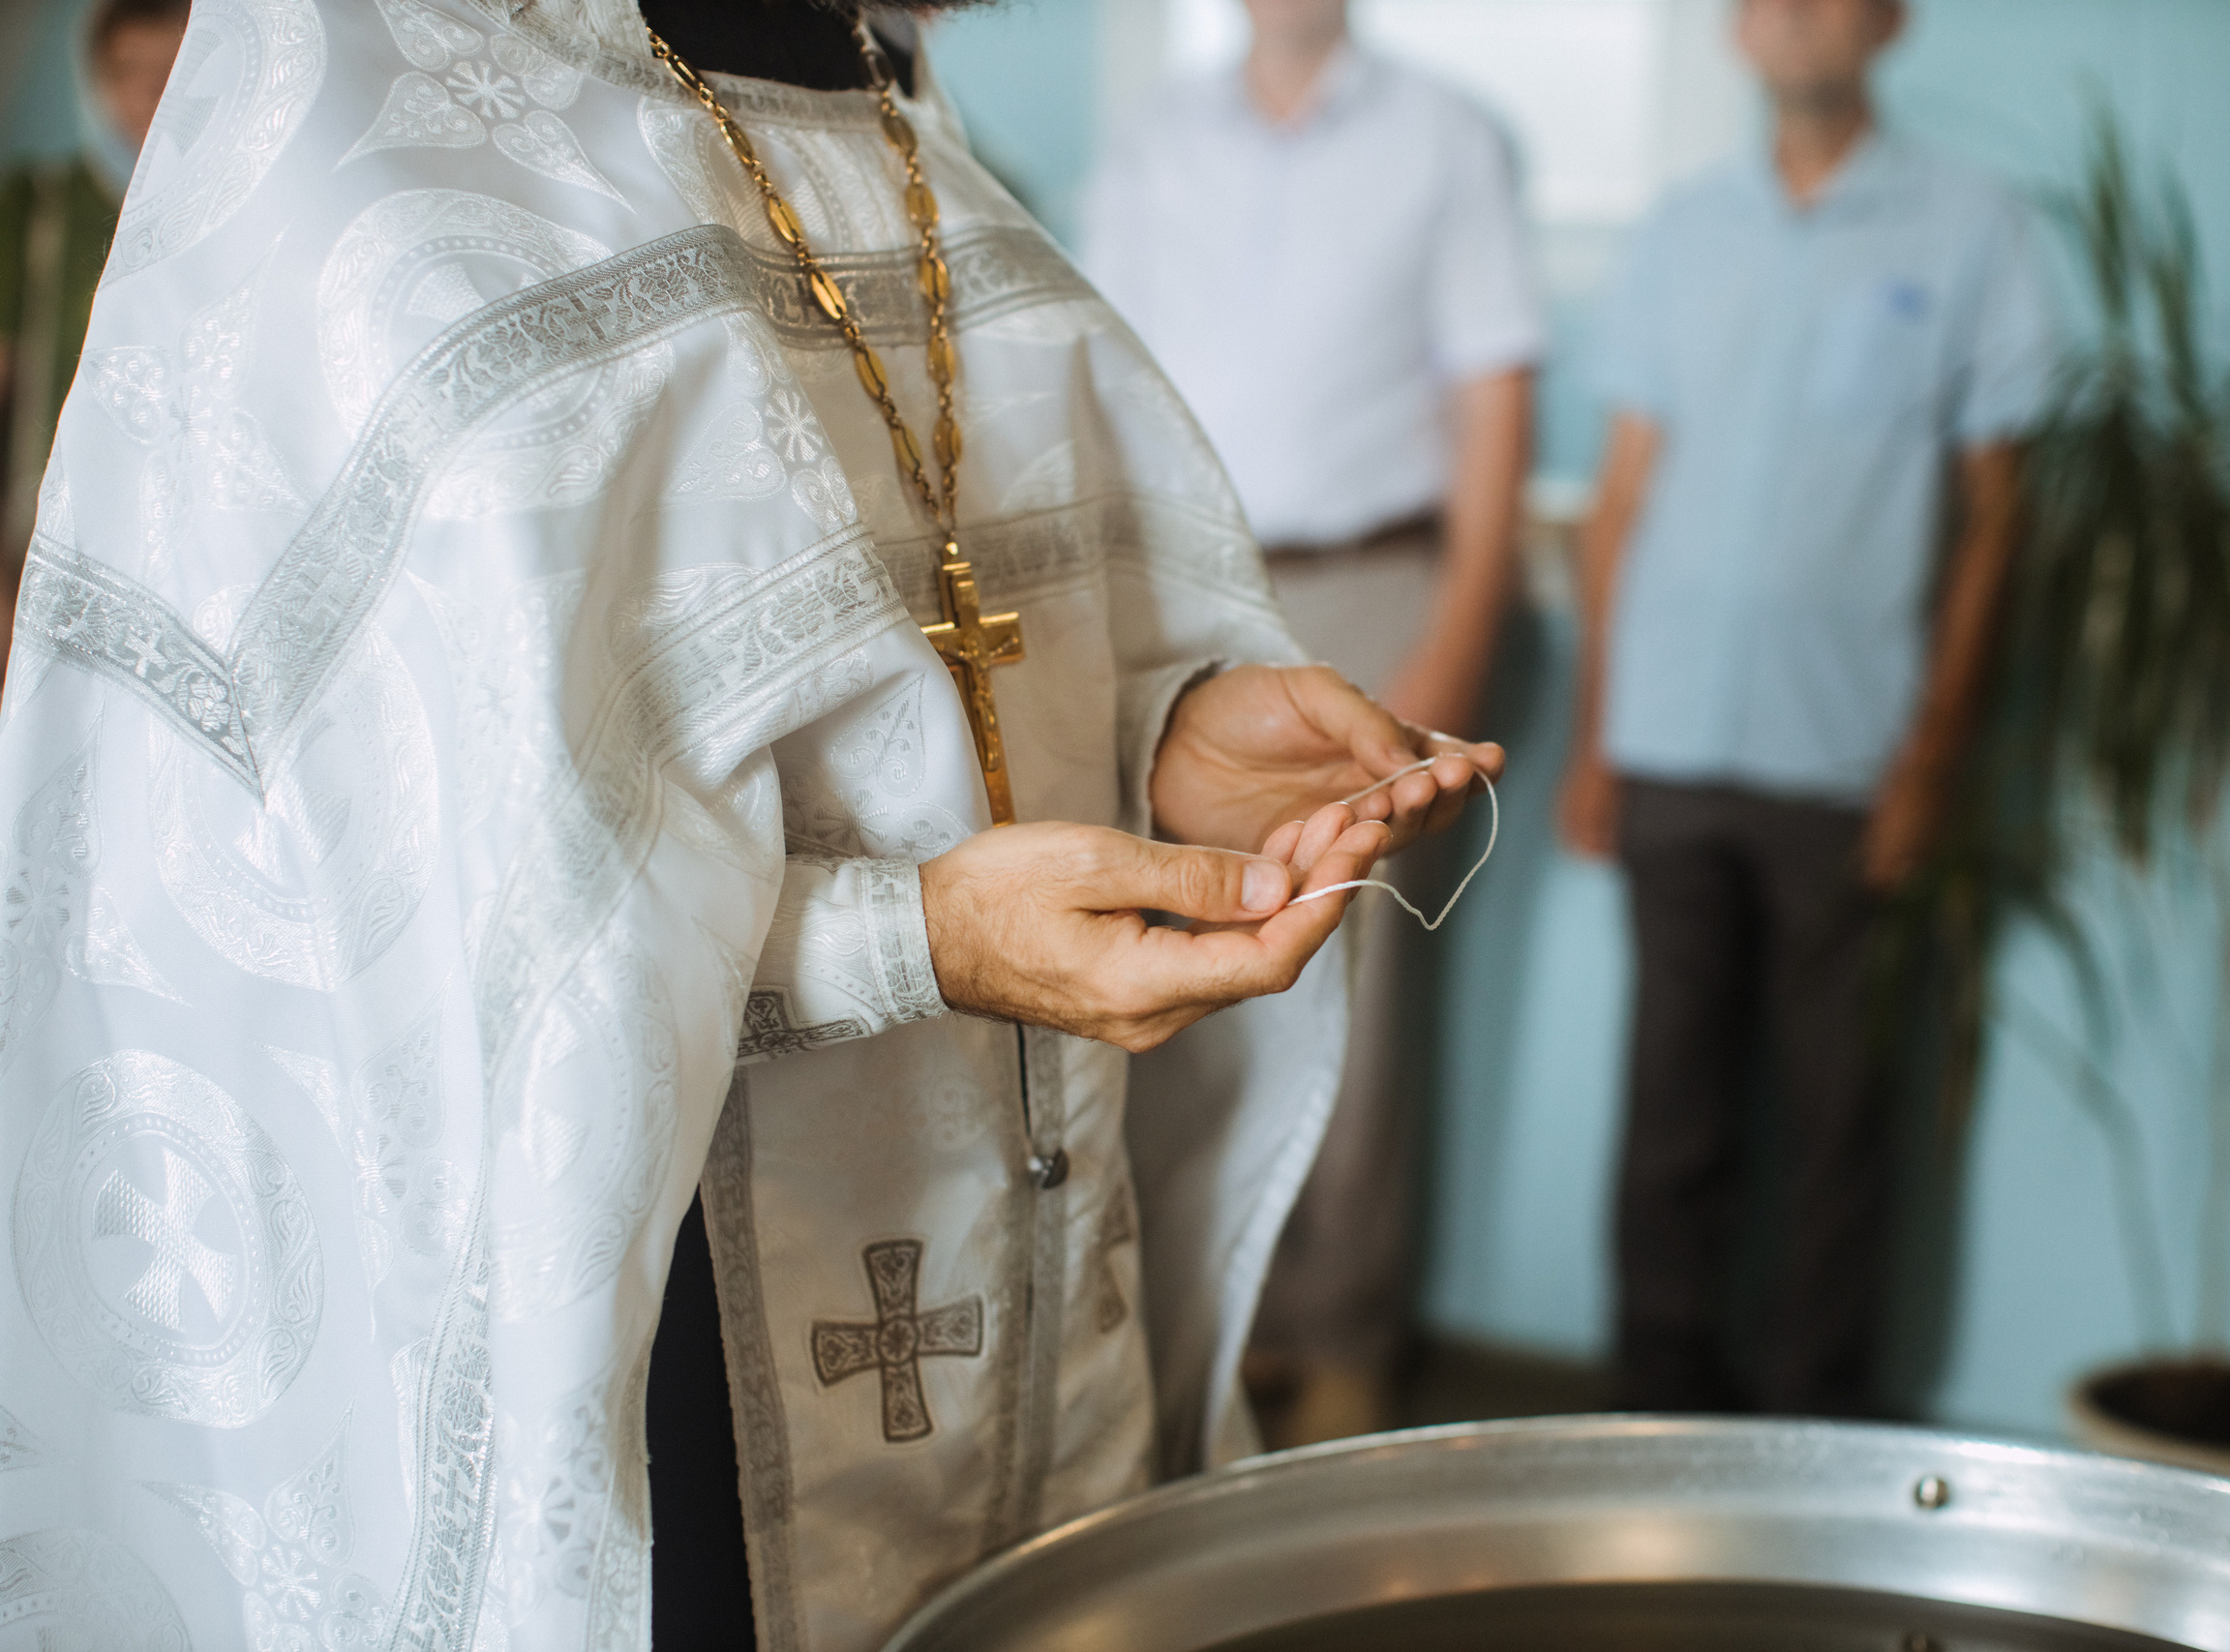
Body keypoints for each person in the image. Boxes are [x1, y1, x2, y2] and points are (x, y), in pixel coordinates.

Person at [0, 2, 1501, 1650]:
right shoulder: (368, 147)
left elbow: (947, 617)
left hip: (1034, 1243)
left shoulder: (880, 112)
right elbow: (398, 922)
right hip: (655, 1355)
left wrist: (1156, 729)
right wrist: (917, 938)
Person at [1559, 0, 2050, 1416]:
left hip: (1847, 757)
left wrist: (1933, 757)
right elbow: (1619, 503)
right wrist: (1597, 744)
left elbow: (1997, 516)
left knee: (1841, 1126)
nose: (1793, 13)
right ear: (1732, 32)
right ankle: (1649, 1417)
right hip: (1668, 743)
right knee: (1671, 1119)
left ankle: (1814, 1439)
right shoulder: (1678, 232)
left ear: (1888, 23)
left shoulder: (1972, 229)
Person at [1084, 0, 1541, 1445]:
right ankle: (1211, 1327)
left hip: (1371, 592)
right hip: (1183, 594)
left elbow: (1494, 413)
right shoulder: (1148, 141)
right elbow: (1089, 395)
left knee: (1355, 980)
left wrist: (1450, 659)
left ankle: (1339, 1336)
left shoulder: (1449, 140)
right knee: (1183, 945)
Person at [0, 0, 188, 657]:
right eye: (128, 68)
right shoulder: (38, 212)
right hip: (43, 564)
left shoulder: (242, 217)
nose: (151, 92)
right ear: (95, 81)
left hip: (187, 576)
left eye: (175, 66)